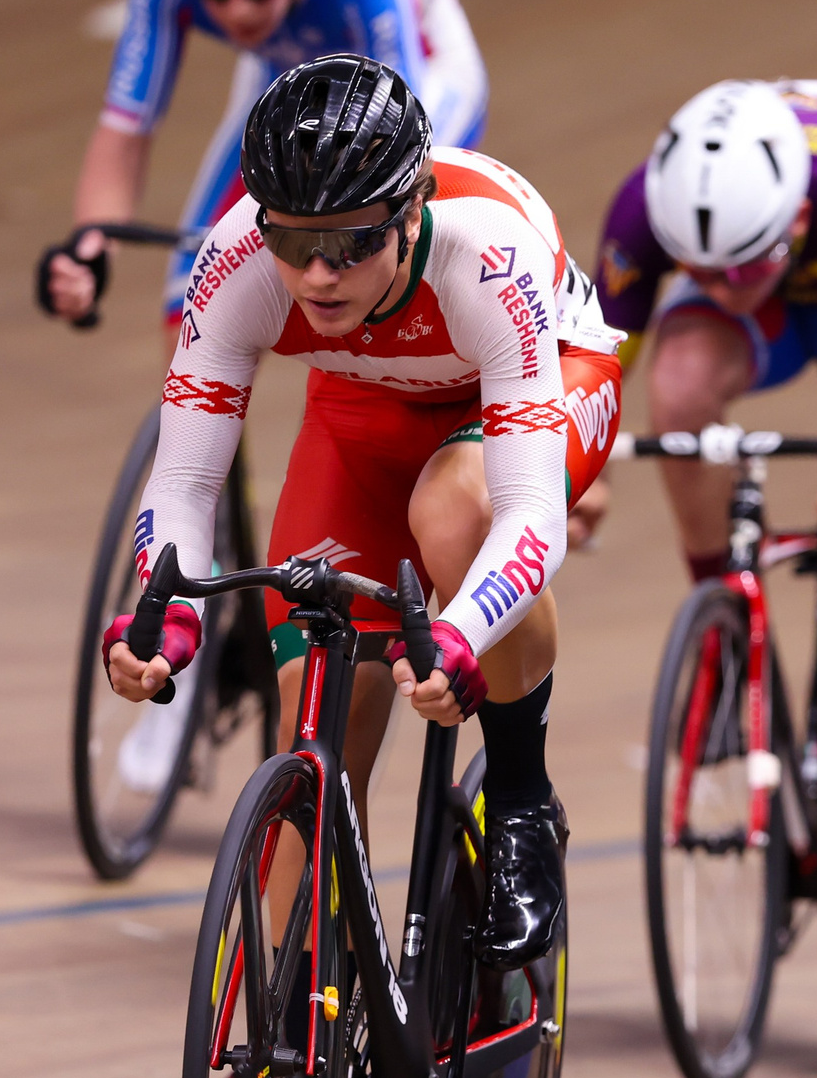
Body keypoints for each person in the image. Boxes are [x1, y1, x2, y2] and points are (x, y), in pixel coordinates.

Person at [103, 55, 620, 985]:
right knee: (318, 737)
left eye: (348, 244)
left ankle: (521, 795)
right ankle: (303, 1053)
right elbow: (183, 477)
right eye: (293, 241)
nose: (315, 274)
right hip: (364, 410)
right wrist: (166, 610)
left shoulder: (484, 256)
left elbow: (532, 512)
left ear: (411, 212)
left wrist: (460, 632)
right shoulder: (237, 263)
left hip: (540, 381)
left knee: (453, 508)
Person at [586, 78, 817, 1011]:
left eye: (740, 266)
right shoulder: (646, 212)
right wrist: (573, 474)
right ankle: (722, 624)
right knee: (674, 389)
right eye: (698, 271)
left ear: (794, 214)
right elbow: (589, 376)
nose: (719, 289)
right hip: (785, 308)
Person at [36, 0, 486, 333]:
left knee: (369, 260)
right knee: (199, 282)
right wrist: (91, 248)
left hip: (419, 76)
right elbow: (126, 128)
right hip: (283, 73)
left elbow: (396, 137)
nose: (239, 9)